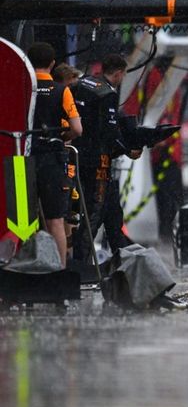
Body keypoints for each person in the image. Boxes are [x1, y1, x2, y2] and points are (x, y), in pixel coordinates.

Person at [25, 42, 83, 266]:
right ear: (52, 64)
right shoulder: (61, 90)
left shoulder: (19, 86)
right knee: (56, 220)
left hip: (22, 160)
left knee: (23, 222)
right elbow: (77, 129)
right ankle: (58, 273)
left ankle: (22, 271)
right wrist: (63, 136)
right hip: (51, 159)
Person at [70, 53, 130, 266]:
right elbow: (111, 132)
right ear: (119, 73)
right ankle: (80, 265)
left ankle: (124, 260)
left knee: (112, 212)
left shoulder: (81, 82)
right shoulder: (107, 94)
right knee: (94, 212)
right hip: (98, 163)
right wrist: (128, 149)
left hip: (77, 156)